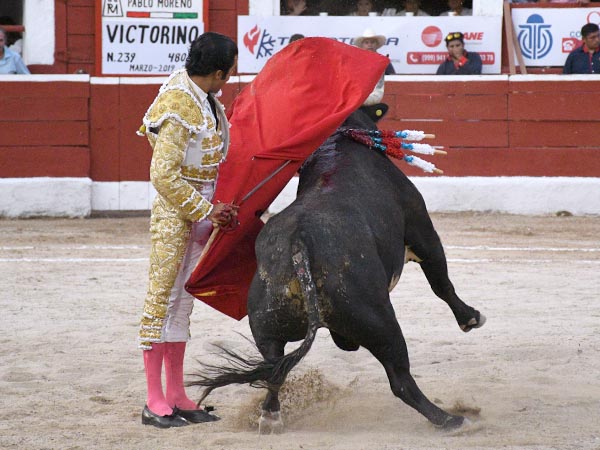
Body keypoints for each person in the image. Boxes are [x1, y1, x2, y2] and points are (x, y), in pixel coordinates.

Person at [136, 32, 239, 429]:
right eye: (229, 69)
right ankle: (153, 399)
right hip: (174, 217)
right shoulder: (179, 103)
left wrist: (210, 211)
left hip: (199, 215)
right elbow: (162, 174)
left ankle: (176, 393)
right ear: (217, 72)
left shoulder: (206, 101)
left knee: (181, 302)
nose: (231, 74)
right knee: (161, 300)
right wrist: (207, 210)